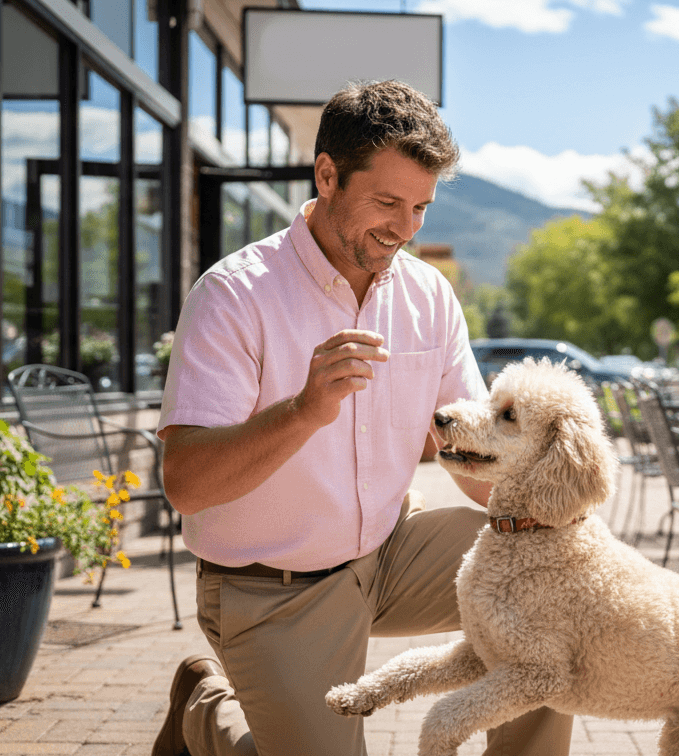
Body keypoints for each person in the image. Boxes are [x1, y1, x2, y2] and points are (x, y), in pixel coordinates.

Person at [151, 80, 574, 756]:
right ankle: (207, 709)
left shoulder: (428, 296)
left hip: (385, 557)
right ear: (327, 174)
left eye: (420, 208)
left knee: (550, 582)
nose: (404, 228)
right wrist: (303, 411)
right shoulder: (233, 295)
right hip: (269, 590)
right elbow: (187, 485)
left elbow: (467, 453)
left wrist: (561, 514)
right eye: (386, 202)